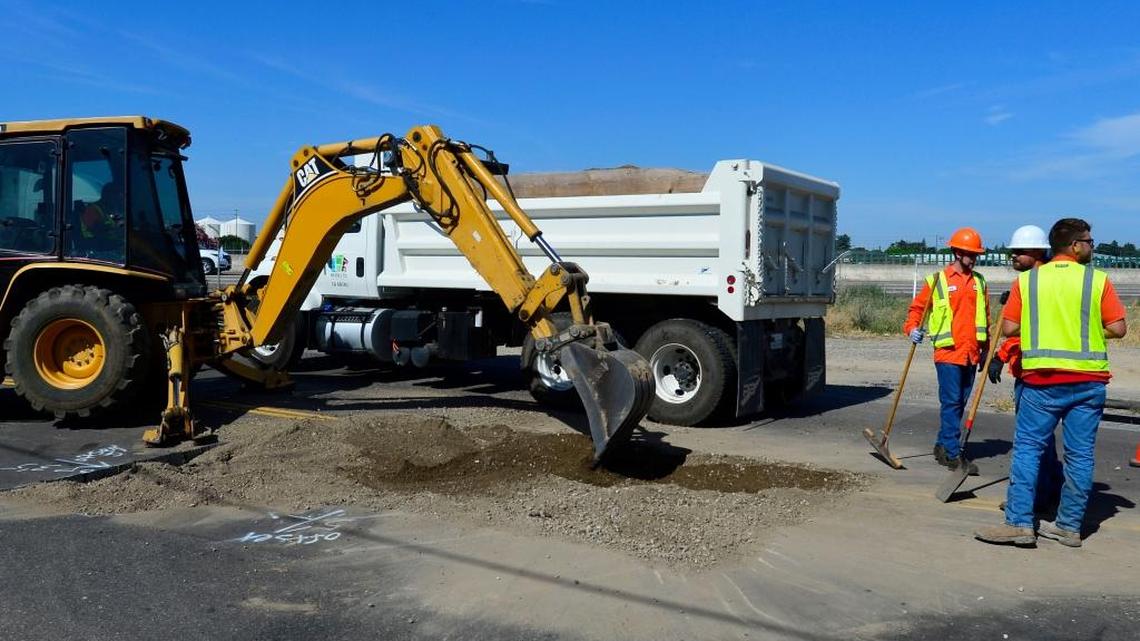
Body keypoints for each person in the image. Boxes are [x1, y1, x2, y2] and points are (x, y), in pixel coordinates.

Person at [975, 218, 1127, 548]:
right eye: (1089, 241)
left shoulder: (1029, 282)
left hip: (1041, 383)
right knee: (1080, 456)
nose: (1092, 245)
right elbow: (1117, 328)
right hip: (1088, 384)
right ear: (1074, 245)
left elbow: (1010, 328)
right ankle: (1069, 527)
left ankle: (1019, 524)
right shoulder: (1097, 281)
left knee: (1028, 451)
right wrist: (1082, 331)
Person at [987, 225, 1062, 514]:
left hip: (1034, 373)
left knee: (1032, 444)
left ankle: (1033, 500)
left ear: (1036, 252)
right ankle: (1051, 489)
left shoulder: (1033, 284)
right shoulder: (1039, 281)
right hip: (1038, 370)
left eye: (1018, 252)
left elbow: (1022, 333)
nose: (1013, 258)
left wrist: (1001, 355)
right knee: (1044, 442)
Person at [902, 227, 989, 470]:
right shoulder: (938, 281)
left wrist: (986, 349)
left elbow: (987, 318)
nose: (973, 259)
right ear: (957, 252)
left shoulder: (980, 282)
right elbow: (917, 310)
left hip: (972, 352)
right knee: (951, 402)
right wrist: (911, 329)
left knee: (959, 402)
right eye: (969, 254)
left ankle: (942, 445)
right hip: (948, 352)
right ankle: (953, 454)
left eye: (975, 255)